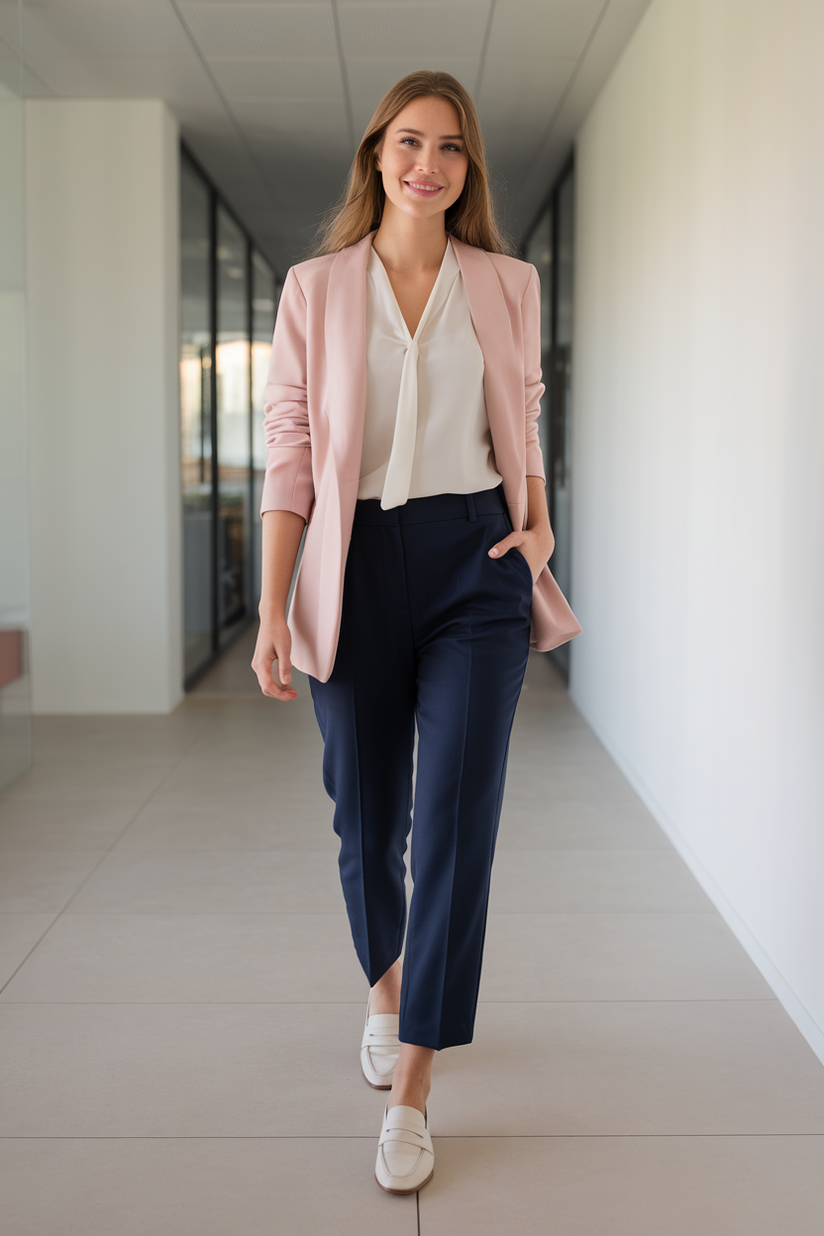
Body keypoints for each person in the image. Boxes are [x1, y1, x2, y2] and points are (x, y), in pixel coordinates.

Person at [251, 70, 580, 1195]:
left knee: (451, 821)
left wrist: (534, 532)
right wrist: (270, 604)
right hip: (351, 561)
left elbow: (521, 419)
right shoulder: (315, 288)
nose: (425, 163)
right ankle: (386, 992)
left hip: (474, 566)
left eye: (447, 146)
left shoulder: (506, 282)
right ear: (376, 155)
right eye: (406, 142)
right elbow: (290, 451)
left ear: (465, 167)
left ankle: (415, 1087)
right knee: (367, 813)